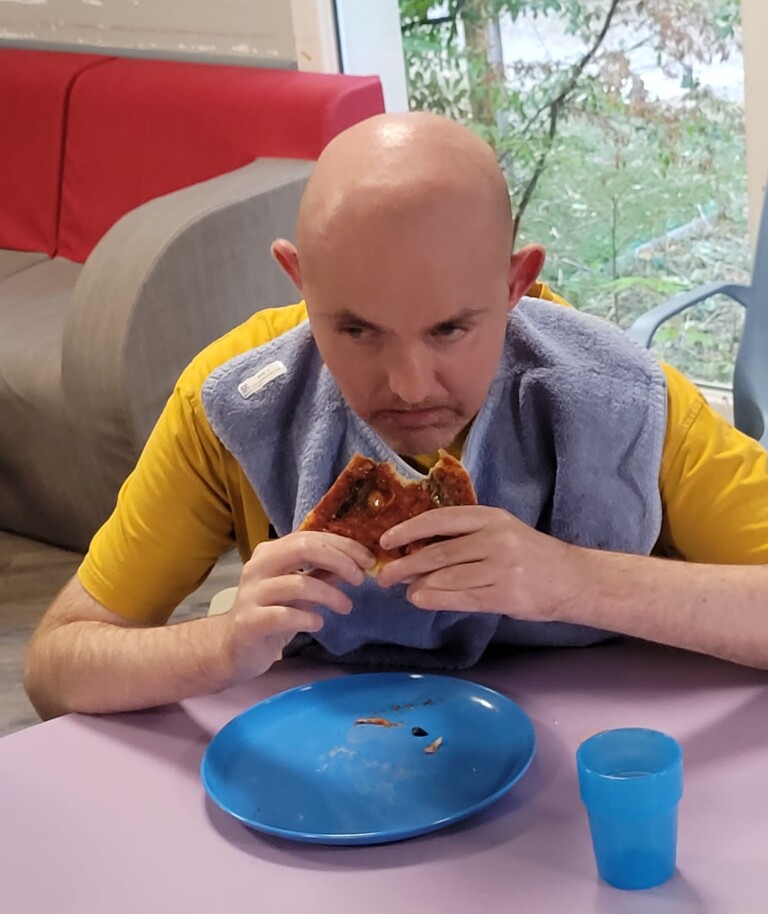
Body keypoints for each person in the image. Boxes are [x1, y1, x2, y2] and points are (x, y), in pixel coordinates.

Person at [25, 112, 768, 719]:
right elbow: (57, 667)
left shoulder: (620, 398)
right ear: (299, 280)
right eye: (356, 329)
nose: (409, 387)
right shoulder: (232, 404)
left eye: (450, 329)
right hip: (336, 773)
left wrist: (574, 580)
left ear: (516, 285)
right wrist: (218, 645)